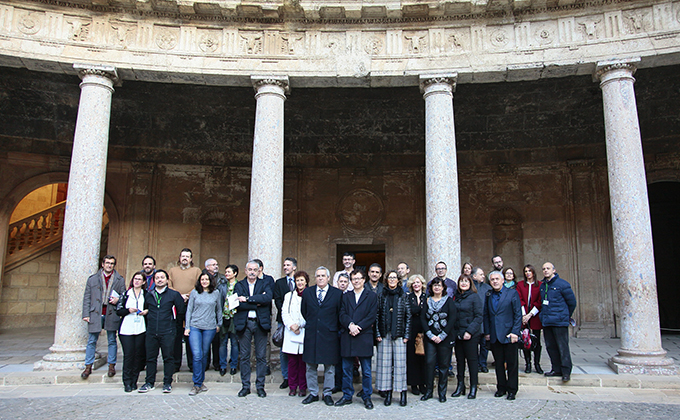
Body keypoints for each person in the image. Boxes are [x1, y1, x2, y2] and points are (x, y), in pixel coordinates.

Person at [335, 269, 378, 410]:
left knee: (366, 371)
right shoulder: (346, 296)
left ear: (364, 280)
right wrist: (350, 325)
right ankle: (347, 395)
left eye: (359, 278)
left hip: (364, 335)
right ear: (351, 281)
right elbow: (342, 313)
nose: (356, 281)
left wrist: (358, 327)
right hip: (348, 335)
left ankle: (367, 396)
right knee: (346, 369)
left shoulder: (371, 296)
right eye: (354, 279)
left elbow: (372, 315)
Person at [300, 266, 343, 406]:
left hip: (329, 335)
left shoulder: (337, 294)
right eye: (318, 275)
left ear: (328, 278)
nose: (320, 278)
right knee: (310, 366)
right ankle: (313, 393)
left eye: (323, 276)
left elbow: (339, 313)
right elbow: (304, 311)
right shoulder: (307, 292)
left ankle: (327, 393)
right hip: (312, 333)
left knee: (329, 367)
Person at [140, 269, 185, 394]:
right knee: (150, 358)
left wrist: (174, 328)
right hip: (152, 331)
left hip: (168, 331)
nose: (159, 279)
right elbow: (145, 310)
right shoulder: (149, 295)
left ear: (167, 279)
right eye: (157, 278)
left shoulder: (174, 295)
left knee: (168, 358)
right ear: (154, 280)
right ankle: (149, 382)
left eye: (162, 277)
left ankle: (167, 383)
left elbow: (180, 312)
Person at [81, 255, 126, 380]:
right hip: (96, 312)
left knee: (112, 340)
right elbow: (87, 297)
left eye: (111, 263)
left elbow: (124, 296)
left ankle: (111, 365)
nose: (109, 265)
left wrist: (118, 300)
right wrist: (86, 314)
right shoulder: (93, 279)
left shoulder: (119, 279)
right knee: (92, 340)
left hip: (111, 312)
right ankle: (88, 365)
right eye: (107, 263)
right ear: (102, 264)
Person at [234, 260, 273, 397]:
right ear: (245, 271)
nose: (252, 272)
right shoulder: (239, 285)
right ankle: (245, 386)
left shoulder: (265, 284)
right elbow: (237, 305)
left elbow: (267, 299)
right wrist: (257, 302)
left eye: (254, 270)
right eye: (249, 269)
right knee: (244, 356)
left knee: (261, 356)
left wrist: (247, 299)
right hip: (244, 324)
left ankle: (260, 386)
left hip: (260, 323)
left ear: (258, 271)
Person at [375, 270, 411, 407]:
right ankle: (388, 393)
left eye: (394, 278)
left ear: (398, 280)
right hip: (385, 334)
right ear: (386, 280)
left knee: (400, 365)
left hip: (400, 334)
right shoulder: (381, 295)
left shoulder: (404, 295)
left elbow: (408, 317)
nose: (392, 280)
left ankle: (402, 394)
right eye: (389, 278)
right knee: (385, 365)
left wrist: (407, 335)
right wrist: (377, 333)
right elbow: (377, 315)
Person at [484, 270, 522, 400]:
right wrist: (487, 333)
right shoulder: (488, 295)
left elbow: (518, 314)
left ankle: (512, 389)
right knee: (499, 364)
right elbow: (486, 315)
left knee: (512, 364)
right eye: (492, 279)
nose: (494, 281)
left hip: (509, 334)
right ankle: (501, 387)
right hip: (495, 335)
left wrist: (515, 332)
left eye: (497, 279)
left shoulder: (512, 293)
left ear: (502, 281)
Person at [185, 271, 222, 396]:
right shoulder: (195, 293)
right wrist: (187, 327)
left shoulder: (216, 293)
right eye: (202, 279)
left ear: (210, 281)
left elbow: (219, 309)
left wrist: (219, 324)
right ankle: (196, 384)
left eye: (207, 279)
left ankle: (200, 382)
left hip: (209, 327)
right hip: (195, 326)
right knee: (197, 355)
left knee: (204, 354)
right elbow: (189, 310)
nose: (204, 281)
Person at [420, 277, 457, 403]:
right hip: (430, 338)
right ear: (431, 288)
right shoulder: (427, 300)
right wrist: (430, 334)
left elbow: (452, 319)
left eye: (439, 285)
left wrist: (442, 335)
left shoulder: (449, 301)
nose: (436, 287)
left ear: (443, 288)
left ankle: (442, 393)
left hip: (445, 338)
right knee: (429, 364)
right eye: (434, 285)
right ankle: (429, 391)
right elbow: (423, 318)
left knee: (443, 366)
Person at [540, 262, 577, 382]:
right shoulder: (543, 285)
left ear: (554, 270)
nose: (546, 270)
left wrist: (565, 315)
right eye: (544, 269)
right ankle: (556, 369)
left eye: (548, 268)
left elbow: (572, 302)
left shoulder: (563, 284)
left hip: (559, 321)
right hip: (547, 321)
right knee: (551, 347)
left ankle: (566, 371)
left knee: (562, 346)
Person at [168, 248, 202, 373]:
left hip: (191, 305)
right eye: (183, 256)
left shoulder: (196, 271)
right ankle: (176, 364)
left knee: (190, 335)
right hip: (176, 306)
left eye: (187, 256)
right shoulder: (172, 270)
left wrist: (187, 295)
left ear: (191, 258)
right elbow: (169, 285)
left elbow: (199, 285)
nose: (185, 258)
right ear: (179, 257)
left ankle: (192, 364)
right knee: (176, 335)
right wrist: (179, 296)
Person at [116, 271, 148, 392]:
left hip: (140, 328)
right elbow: (118, 311)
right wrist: (128, 310)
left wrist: (146, 311)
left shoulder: (146, 294)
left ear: (143, 282)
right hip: (126, 328)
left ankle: (134, 380)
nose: (137, 281)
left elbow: (150, 308)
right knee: (128, 355)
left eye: (139, 279)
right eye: (135, 279)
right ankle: (127, 382)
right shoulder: (126, 294)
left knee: (137, 356)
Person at [451, 274, 483, 399]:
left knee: (472, 361)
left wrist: (469, 332)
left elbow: (479, 316)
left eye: (466, 281)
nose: (463, 283)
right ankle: (460, 386)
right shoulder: (456, 297)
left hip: (471, 334)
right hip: (458, 334)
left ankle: (473, 386)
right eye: (461, 281)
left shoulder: (474, 297)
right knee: (460, 362)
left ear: (470, 283)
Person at [282, 271, 309, 397]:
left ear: (306, 282)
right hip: (291, 332)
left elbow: (310, 313)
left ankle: (303, 387)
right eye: (297, 280)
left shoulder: (310, 294)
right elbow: (284, 312)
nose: (300, 283)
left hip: (304, 331)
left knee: (303, 363)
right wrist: (291, 325)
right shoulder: (289, 295)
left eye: (302, 280)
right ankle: (292, 387)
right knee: (292, 362)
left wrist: (299, 325)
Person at [273, 257, 298, 390]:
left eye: (288, 265)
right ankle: (286, 377)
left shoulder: (300, 281)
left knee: (298, 350)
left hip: (298, 323)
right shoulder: (279, 283)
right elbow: (277, 300)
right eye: (284, 265)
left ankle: (297, 376)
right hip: (283, 321)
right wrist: (286, 315)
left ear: (294, 267)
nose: (285, 267)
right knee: (283, 349)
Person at [516, 264, 544, 374]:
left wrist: (530, 314)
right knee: (525, 339)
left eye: (529, 271)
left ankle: (537, 364)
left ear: (533, 272)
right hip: (524, 316)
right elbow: (520, 299)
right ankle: (528, 363)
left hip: (535, 316)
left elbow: (539, 301)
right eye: (526, 271)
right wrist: (524, 315)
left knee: (536, 340)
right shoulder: (520, 285)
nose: (528, 273)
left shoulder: (540, 285)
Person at [406, 274, 426, 396]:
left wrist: (417, 310)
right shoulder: (408, 297)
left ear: (422, 284)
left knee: (423, 358)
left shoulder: (426, 297)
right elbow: (409, 311)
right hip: (411, 329)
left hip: (424, 330)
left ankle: (423, 383)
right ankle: (414, 384)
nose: (416, 284)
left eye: (418, 282)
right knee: (412, 358)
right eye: (414, 283)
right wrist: (420, 310)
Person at [218, 264, 239, 376]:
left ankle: (233, 365)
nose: (227, 274)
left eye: (229, 272)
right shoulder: (221, 286)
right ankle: (222, 365)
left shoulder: (239, 285)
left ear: (235, 273)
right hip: (224, 316)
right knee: (223, 342)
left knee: (235, 342)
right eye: (226, 272)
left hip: (235, 317)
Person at [333, 272, 351, 393]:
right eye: (341, 282)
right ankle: (337, 384)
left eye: (345, 282)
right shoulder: (333, 295)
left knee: (347, 361)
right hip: (334, 331)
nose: (343, 284)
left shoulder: (350, 296)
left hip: (346, 331)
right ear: (337, 283)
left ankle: (346, 385)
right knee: (336, 360)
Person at [471, 267, 491, 373]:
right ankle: (475, 364)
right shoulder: (470, 287)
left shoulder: (488, 288)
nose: (483, 276)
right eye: (481, 274)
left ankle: (483, 363)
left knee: (484, 344)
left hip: (484, 320)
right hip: (473, 320)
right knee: (474, 345)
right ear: (474, 276)